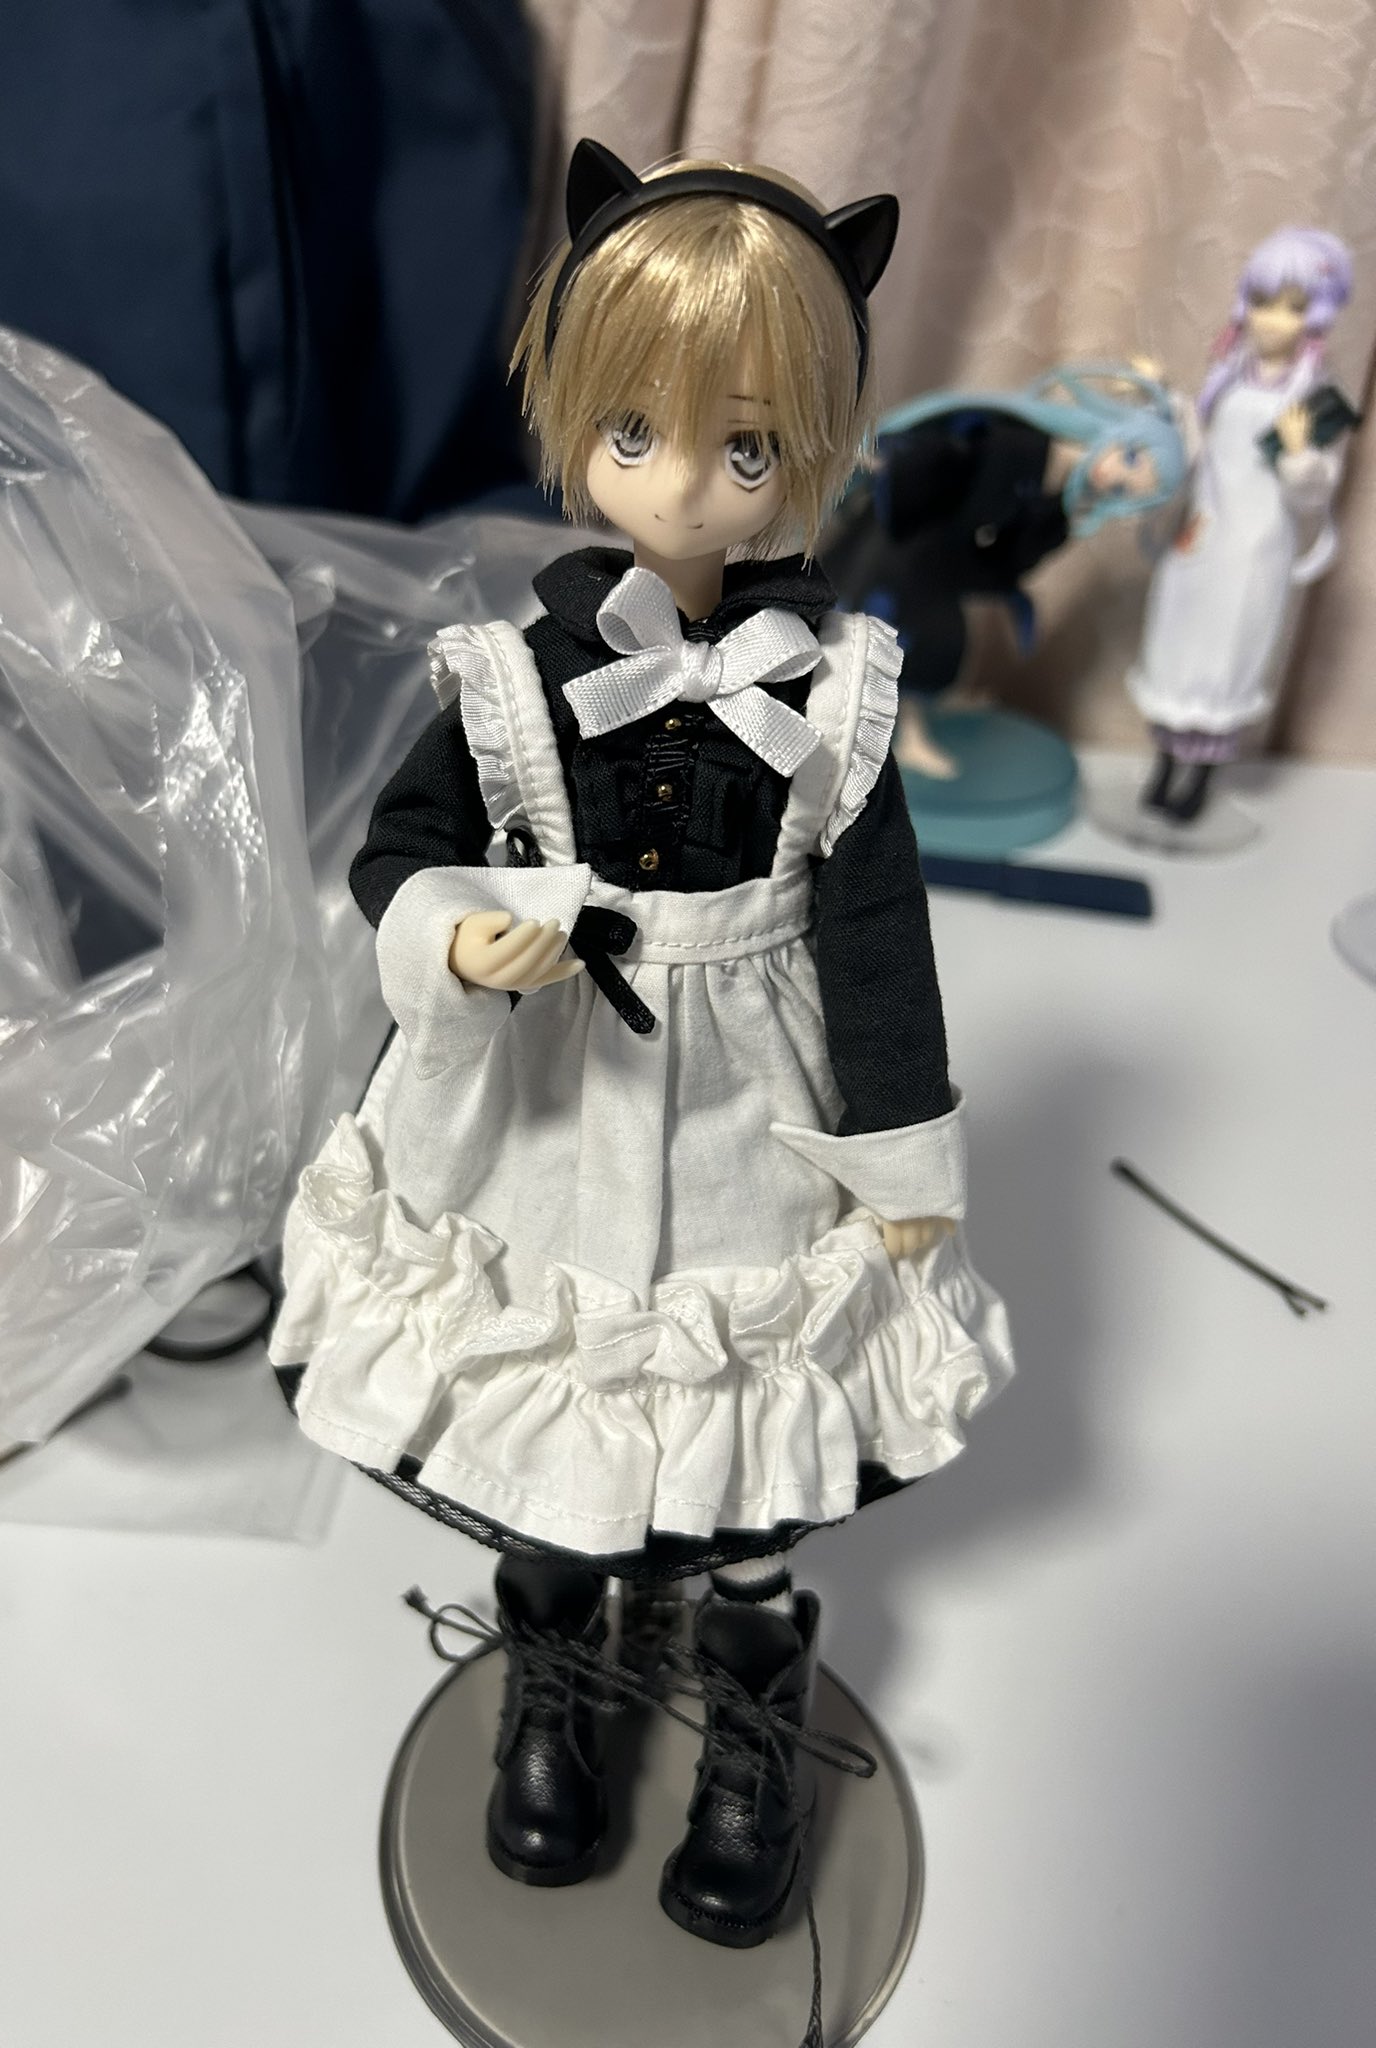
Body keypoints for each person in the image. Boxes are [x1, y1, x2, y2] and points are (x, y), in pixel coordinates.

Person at [269, 140, 1012, 1948]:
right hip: (548, 1093)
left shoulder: (840, 696)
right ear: (576, 420)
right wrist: (463, 931)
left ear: (808, 452)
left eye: (745, 448)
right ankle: (558, 1665)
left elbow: (873, 933)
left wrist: (901, 1154)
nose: (682, 481)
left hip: (758, 1102)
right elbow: (394, 851)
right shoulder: (506, 675)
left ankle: (751, 1686)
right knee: (555, 1382)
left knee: (746, 1404)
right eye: (634, 430)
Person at [826, 366, 1187, 778]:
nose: (1112, 476)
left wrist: (1044, 533)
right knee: (922, 639)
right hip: (908, 543)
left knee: (939, 643)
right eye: (1130, 457)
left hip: (942, 559)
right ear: (1123, 434)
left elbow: (1013, 555)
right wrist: (898, 462)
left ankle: (925, 712)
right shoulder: (1021, 447)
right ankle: (909, 734)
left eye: (1124, 488)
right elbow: (952, 463)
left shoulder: (1063, 502)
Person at [1128, 228, 1356, 825]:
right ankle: (1164, 765)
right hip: (1201, 532)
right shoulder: (1227, 374)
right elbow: (1195, 448)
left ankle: (1200, 778)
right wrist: (1162, 395)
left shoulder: (1315, 395)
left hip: (1257, 546)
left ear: (1316, 315)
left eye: (1293, 306)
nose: (1273, 320)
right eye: (1262, 301)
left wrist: (1300, 454)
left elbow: (1315, 491)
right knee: (1177, 643)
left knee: (1226, 655)